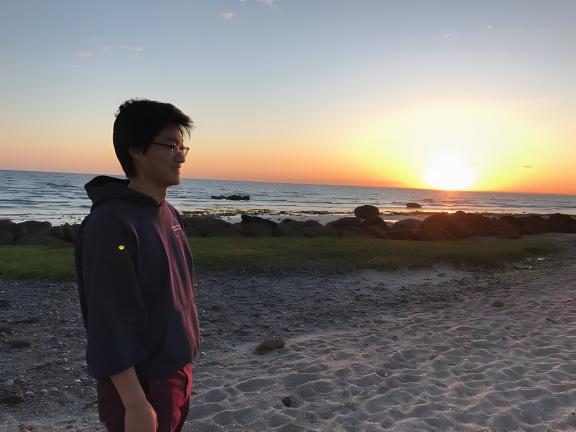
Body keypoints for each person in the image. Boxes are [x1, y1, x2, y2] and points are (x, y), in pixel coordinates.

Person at [74, 99, 200, 432]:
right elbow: (107, 320)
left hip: (176, 371)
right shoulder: (110, 223)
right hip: (142, 385)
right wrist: (134, 403)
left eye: (183, 146)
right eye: (171, 145)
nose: (182, 155)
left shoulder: (168, 213)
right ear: (137, 150)